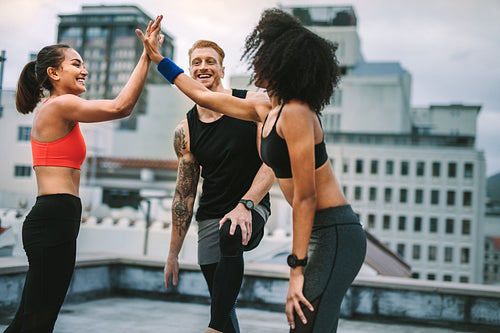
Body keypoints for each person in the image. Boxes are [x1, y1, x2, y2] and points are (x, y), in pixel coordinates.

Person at [138, 8, 367, 333]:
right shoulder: (263, 108)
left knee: (307, 325)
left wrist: (295, 271)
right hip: (317, 233)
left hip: (335, 233)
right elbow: (201, 94)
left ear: (281, 64)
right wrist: (158, 58)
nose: (256, 61)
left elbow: (305, 198)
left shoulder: (297, 114)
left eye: (264, 56)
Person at [4, 16, 162, 333]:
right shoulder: (59, 106)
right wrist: (147, 55)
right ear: (54, 73)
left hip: (59, 217)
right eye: (76, 64)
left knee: (33, 318)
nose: (84, 70)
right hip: (53, 217)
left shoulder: (61, 108)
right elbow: (121, 107)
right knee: (37, 320)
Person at [162, 39, 275, 333]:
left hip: (252, 206)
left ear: (222, 68)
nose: (203, 67)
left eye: (210, 61)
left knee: (232, 232)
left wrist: (246, 204)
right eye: (197, 62)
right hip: (210, 214)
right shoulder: (185, 130)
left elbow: (272, 162)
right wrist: (173, 255)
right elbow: (184, 195)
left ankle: (210, 329)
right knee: (223, 304)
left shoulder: (252, 104)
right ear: (189, 71)